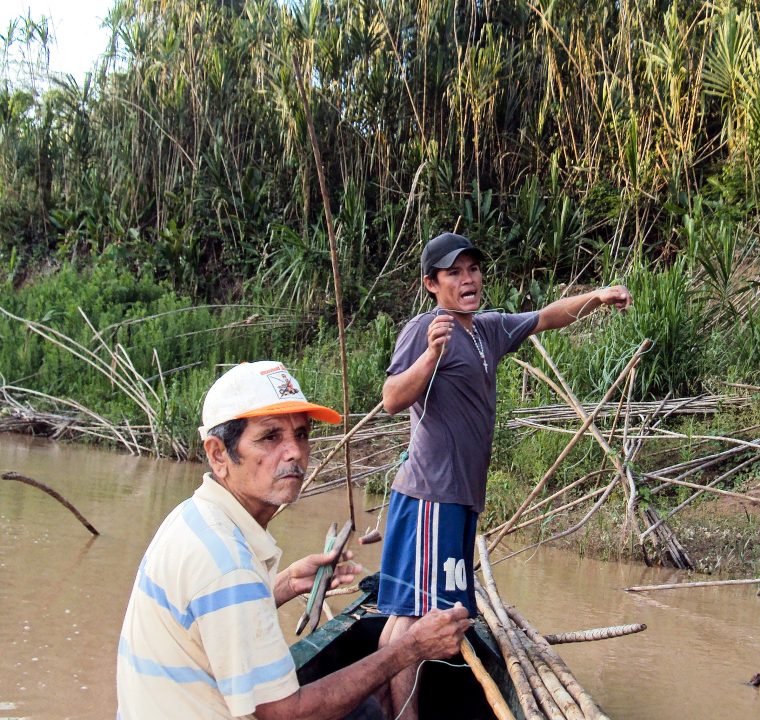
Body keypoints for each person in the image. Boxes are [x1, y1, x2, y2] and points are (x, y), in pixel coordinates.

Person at [117, 360, 471, 720]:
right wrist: (409, 648)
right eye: (270, 437)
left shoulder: (193, 518)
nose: (295, 453)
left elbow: (213, 623)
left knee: (366, 707)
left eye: (301, 434)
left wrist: (286, 583)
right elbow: (287, 714)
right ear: (218, 454)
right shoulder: (228, 565)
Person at [377, 233, 632, 718]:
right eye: (454, 273)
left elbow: (548, 317)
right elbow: (391, 398)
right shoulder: (426, 327)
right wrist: (430, 356)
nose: (468, 280)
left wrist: (597, 298)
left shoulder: (487, 329)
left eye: (473, 269)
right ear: (431, 284)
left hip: (458, 499)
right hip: (432, 497)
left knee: (408, 613)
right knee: (416, 618)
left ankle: (384, 705)